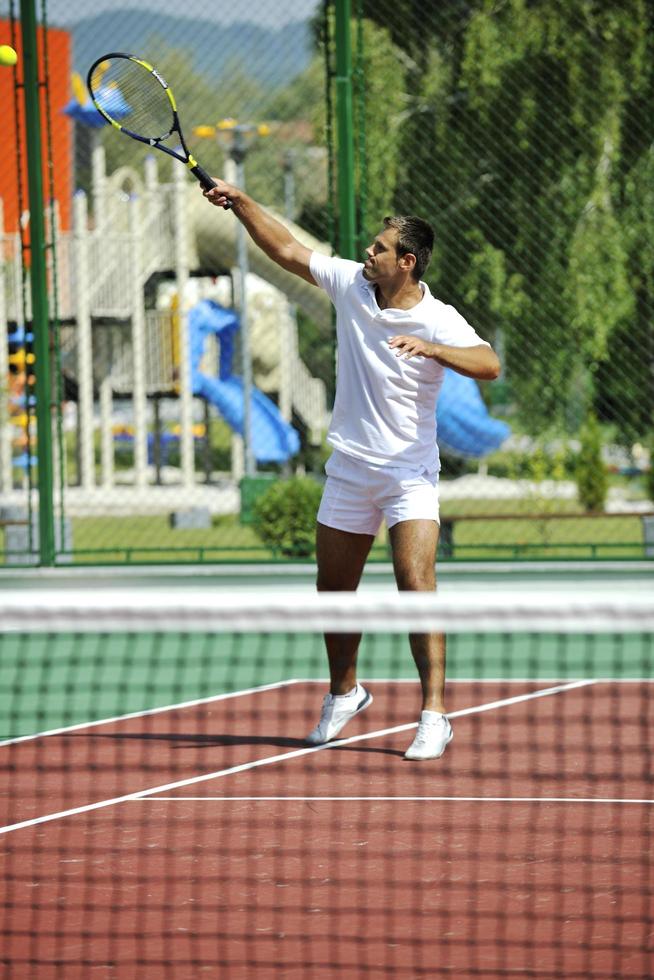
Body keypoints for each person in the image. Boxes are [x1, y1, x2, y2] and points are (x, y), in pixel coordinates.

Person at [203, 181, 500, 760]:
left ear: (406, 262)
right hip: (350, 472)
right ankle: (346, 693)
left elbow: (488, 363)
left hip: (410, 475)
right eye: (370, 246)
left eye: (380, 249)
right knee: (334, 592)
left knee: (417, 588)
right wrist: (241, 203)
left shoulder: (440, 319)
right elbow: (287, 250)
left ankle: (434, 714)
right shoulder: (350, 284)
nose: (368, 253)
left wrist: (436, 350)